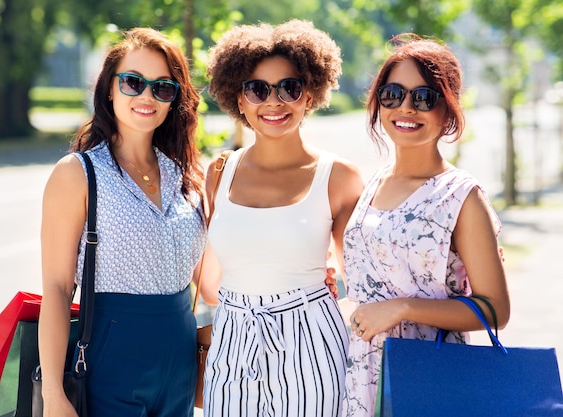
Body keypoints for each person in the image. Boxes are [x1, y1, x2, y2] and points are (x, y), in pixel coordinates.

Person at [198, 19, 365, 417]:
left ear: (309, 97)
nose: (274, 102)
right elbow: (210, 288)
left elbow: (361, 283)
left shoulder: (338, 176)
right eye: (257, 89)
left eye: (289, 88)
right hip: (232, 338)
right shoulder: (219, 172)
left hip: (311, 337)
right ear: (239, 100)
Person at [37, 27, 206, 417]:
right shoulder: (78, 173)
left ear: (174, 101)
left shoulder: (186, 176)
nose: (146, 96)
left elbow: (209, 281)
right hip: (108, 361)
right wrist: (53, 393)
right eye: (133, 82)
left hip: (178, 358)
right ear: (109, 90)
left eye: (162, 88)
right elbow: (58, 289)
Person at [341, 33, 511, 417]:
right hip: (363, 372)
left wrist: (402, 308)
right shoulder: (374, 182)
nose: (406, 107)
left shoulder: (461, 197)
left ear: (447, 110)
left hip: (430, 372)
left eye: (424, 98)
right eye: (393, 94)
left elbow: (496, 309)